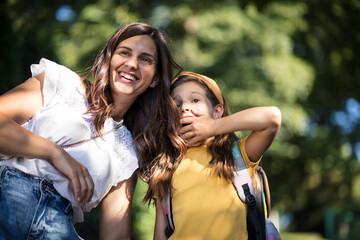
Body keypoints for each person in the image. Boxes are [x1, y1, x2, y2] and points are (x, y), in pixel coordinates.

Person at [0, 22, 185, 240]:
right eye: (124, 52)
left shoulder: (128, 153)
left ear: (155, 78)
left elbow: (115, 235)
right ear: (109, 59)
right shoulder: (61, 82)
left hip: (55, 227)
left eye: (146, 59)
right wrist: (55, 152)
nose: (132, 64)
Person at [151, 71, 282, 239]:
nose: (184, 107)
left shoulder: (237, 155)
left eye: (195, 100)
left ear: (217, 111)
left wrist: (213, 127)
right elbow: (160, 234)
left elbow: (272, 118)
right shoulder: (166, 167)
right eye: (176, 105)